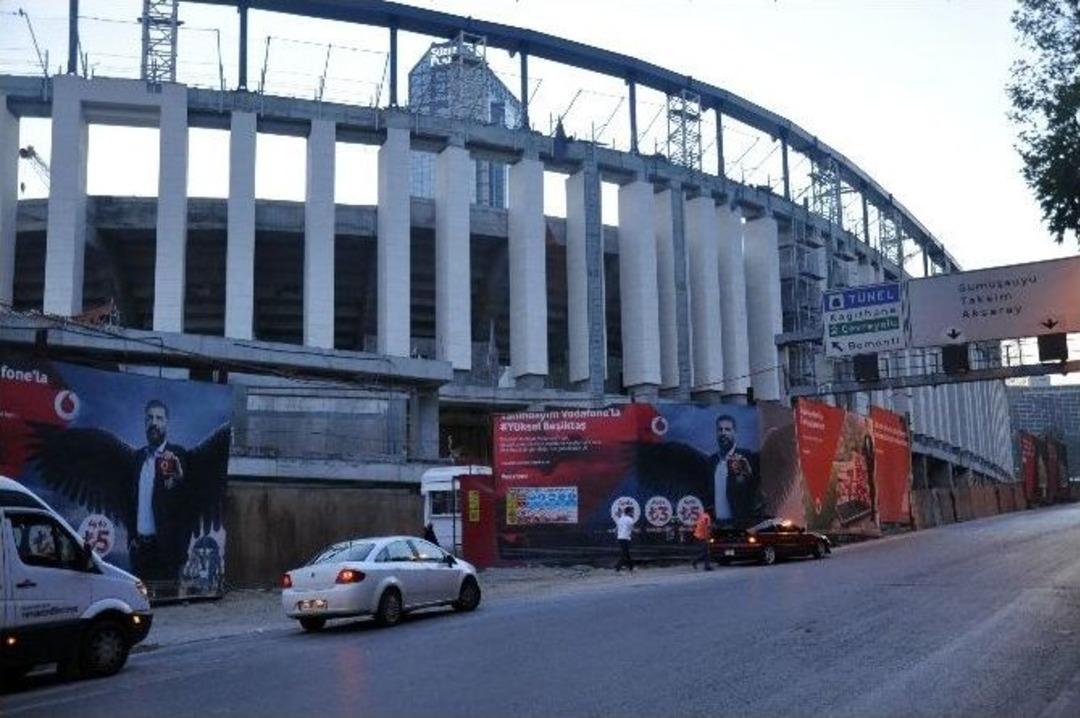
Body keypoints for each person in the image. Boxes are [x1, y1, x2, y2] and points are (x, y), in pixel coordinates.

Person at [31, 397, 231, 589]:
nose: (154, 423)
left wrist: (178, 479)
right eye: (150, 418)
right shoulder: (134, 461)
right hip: (139, 551)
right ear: (144, 422)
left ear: (167, 423)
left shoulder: (182, 458)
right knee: (140, 602)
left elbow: (181, 497)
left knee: (166, 601)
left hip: (167, 554)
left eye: (159, 418)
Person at [709, 414, 763, 523]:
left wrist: (748, 473)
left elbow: (755, 486)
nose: (723, 433)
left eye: (727, 429)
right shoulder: (712, 461)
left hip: (740, 525)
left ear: (735, 432)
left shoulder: (747, 457)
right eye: (720, 430)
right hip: (716, 525)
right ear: (716, 433)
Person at [613, 506, 635, 573]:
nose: (633, 513)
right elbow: (632, 529)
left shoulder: (621, 518)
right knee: (625, 554)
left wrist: (617, 536)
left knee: (627, 554)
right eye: (632, 511)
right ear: (629, 512)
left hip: (620, 538)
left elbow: (616, 529)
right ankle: (617, 568)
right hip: (625, 538)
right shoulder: (630, 520)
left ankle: (631, 568)